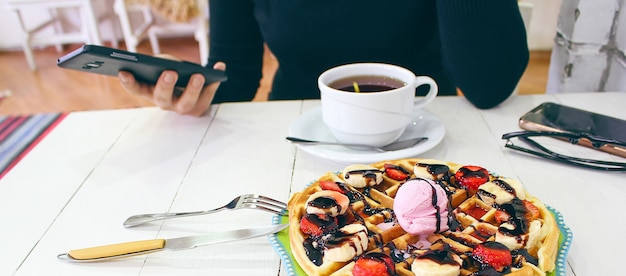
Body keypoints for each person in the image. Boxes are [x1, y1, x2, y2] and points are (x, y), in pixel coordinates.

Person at [118, 0, 529, 117]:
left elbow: (489, 83)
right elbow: (236, 74)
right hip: (298, 133)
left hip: (422, 124)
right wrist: (194, 91)